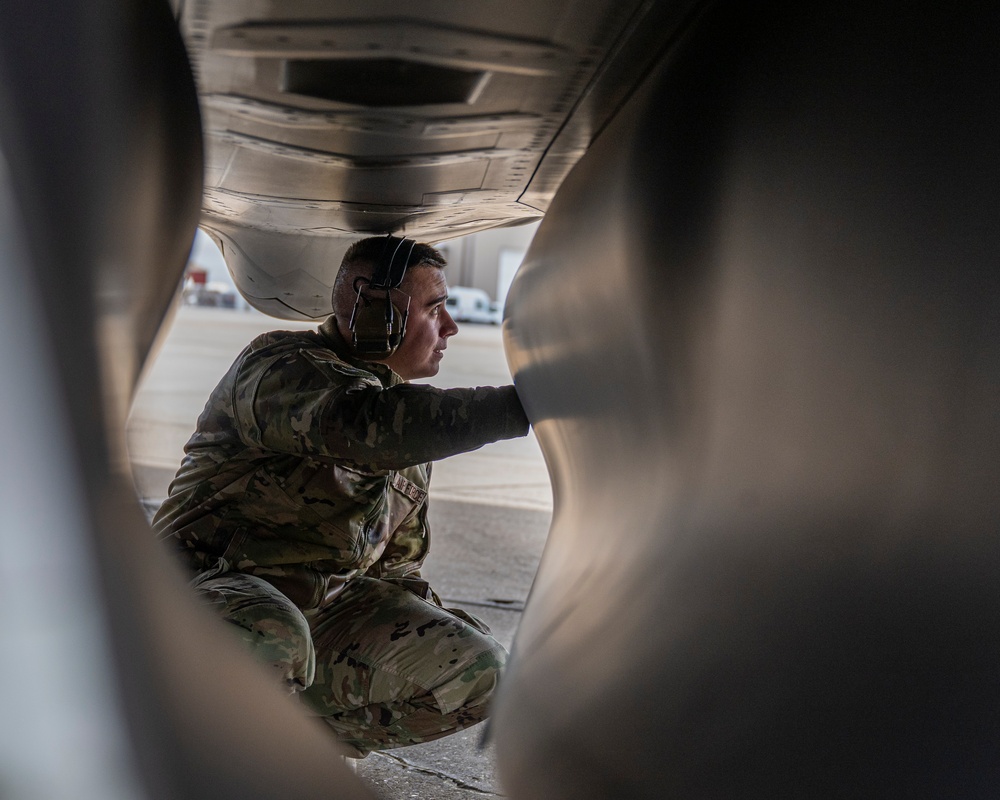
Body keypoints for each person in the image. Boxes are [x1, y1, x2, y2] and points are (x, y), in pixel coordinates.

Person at [152, 235, 530, 757]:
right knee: (275, 636)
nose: (450, 328)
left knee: (481, 670)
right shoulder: (279, 368)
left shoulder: (407, 438)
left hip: (312, 618)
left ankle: (293, 753)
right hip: (196, 594)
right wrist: (527, 404)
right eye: (434, 309)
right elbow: (362, 425)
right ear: (375, 312)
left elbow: (394, 573)